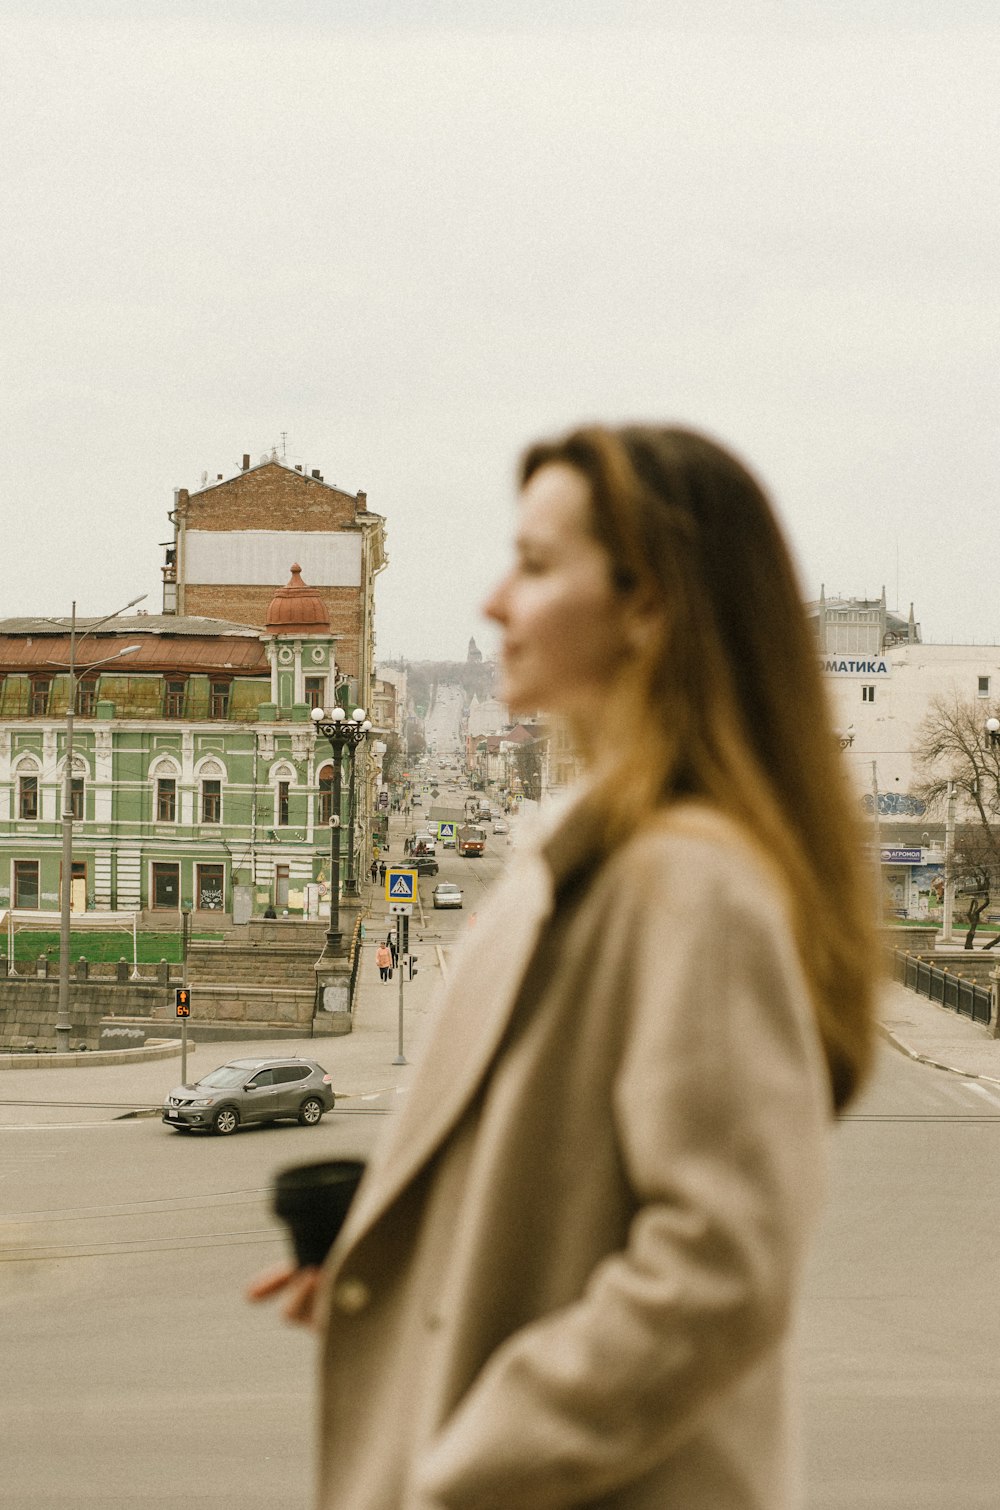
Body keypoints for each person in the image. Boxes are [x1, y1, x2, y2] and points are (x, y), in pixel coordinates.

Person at [249, 423, 877, 1510]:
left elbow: (715, 1273)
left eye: (536, 565)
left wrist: (473, 1461)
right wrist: (400, 1247)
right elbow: (570, 1179)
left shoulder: (693, 885)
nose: (496, 600)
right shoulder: (589, 854)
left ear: (647, 604)